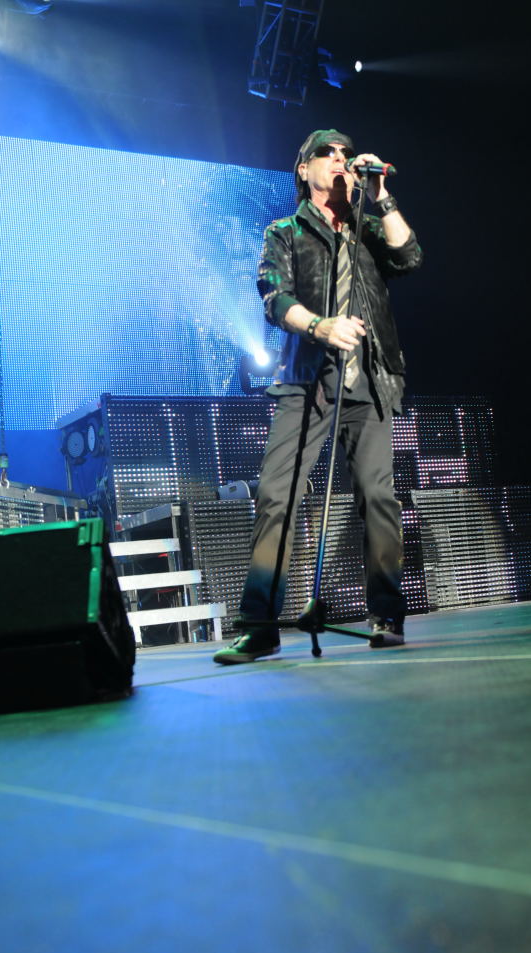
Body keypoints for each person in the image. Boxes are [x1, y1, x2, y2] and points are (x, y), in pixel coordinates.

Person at [213, 128, 423, 664]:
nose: (339, 160)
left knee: (377, 495)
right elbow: (274, 297)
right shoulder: (284, 232)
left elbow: (409, 256)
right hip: (307, 381)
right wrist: (319, 326)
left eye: (345, 154)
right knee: (276, 495)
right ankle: (260, 626)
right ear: (303, 171)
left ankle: (387, 615)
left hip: (370, 378)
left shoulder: (368, 226)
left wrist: (380, 195)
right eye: (326, 154)